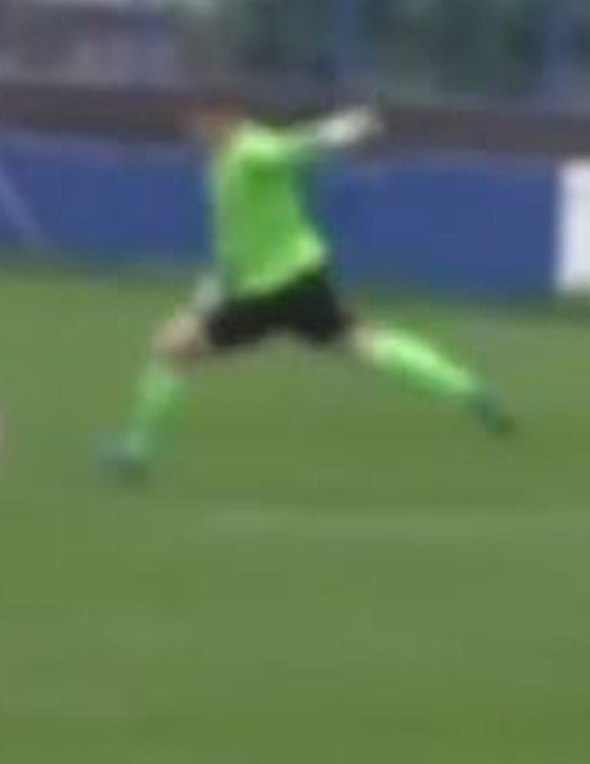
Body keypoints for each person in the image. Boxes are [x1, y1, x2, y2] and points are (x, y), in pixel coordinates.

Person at [103, 98, 514, 486]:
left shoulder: (250, 149)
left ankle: (136, 452)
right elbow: (234, 242)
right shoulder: (224, 163)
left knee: (170, 349)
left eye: (200, 122)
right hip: (301, 281)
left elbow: (298, 148)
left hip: (266, 292)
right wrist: (212, 291)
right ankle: (469, 390)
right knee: (365, 343)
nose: (194, 132)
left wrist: (348, 127)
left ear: (223, 118)